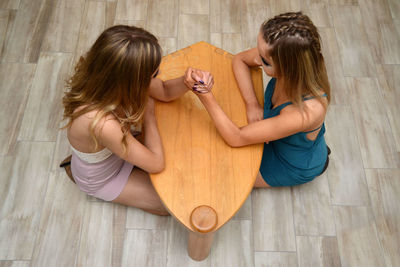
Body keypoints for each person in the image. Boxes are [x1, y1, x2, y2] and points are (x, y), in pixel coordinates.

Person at [60, 25, 207, 215]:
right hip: (105, 177)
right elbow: (156, 163)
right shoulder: (102, 123)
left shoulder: (108, 79)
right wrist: (149, 114)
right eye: (153, 74)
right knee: (172, 204)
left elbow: (163, 91)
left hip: (119, 146)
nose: (159, 75)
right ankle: (81, 176)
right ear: (132, 81)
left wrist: (186, 82)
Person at [187, 12, 331, 188]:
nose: (257, 59)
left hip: (290, 164)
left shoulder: (307, 111)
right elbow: (240, 60)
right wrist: (252, 104)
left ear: (288, 66)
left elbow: (236, 138)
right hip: (276, 132)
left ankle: (318, 163)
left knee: (217, 176)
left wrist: (205, 95)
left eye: (264, 61)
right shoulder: (281, 55)